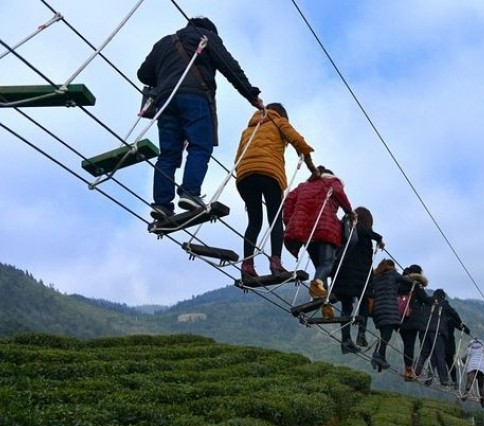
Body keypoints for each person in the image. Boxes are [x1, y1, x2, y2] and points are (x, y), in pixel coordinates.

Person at [138, 17, 263, 220]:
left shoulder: (164, 42)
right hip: (195, 97)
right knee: (200, 146)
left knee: (168, 153)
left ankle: (161, 204)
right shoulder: (207, 37)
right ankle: (190, 192)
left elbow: (143, 74)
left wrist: (166, 76)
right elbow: (229, 67)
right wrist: (251, 95)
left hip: (165, 101)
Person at [234, 102, 317, 278]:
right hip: (269, 174)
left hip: (245, 175)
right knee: (275, 220)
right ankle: (276, 262)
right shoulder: (278, 121)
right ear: (282, 114)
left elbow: (238, 158)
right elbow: (297, 140)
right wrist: (310, 164)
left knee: (254, 222)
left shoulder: (248, 130)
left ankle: (247, 265)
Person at [283, 166, 355, 300]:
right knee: (327, 263)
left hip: (306, 233)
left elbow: (288, 202)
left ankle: (322, 298)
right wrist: (350, 212)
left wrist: (290, 222)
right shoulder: (332, 182)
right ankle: (318, 290)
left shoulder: (302, 186)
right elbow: (339, 194)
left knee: (320, 267)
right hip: (325, 229)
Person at [331, 207, 384, 353]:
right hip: (357, 274)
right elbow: (361, 230)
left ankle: (346, 340)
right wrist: (378, 238)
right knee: (363, 303)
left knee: (347, 307)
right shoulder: (355, 226)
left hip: (346, 274)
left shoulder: (345, 226)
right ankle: (360, 333)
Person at [416, 289, 467, 387]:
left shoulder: (427, 301)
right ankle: (444, 379)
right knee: (440, 356)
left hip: (424, 331)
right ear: (442, 297)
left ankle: (416, 373)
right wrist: (461, 324)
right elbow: (454, 314)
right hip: (437, 332)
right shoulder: (443, 304)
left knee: (424, 353)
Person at [367, 259, 408, 371]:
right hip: (389, 309)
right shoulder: (393, 274)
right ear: (392, 267)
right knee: (386, 336)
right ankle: (377, 356)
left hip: (378, 311)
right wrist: (416, 282)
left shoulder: (376, 277)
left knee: (384, 335)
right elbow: (407, 282)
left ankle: (382, 359)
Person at [397, 265, 432, 381]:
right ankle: (408, 370)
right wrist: (434, 301)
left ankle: (408, 369)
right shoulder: (416, 284)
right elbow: (425, 299)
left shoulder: (400, 283)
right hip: (412, 318)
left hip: (400, 318)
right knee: (409, 345)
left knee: (406, 344)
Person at [460, 338, 484, 407]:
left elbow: (463, 358)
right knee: (481, 386)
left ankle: (465, 395)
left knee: (469, 383)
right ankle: (482, 401)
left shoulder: (469, 349)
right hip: (482, 368)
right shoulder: (483, 348)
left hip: (472, 367)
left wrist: (464, 362)